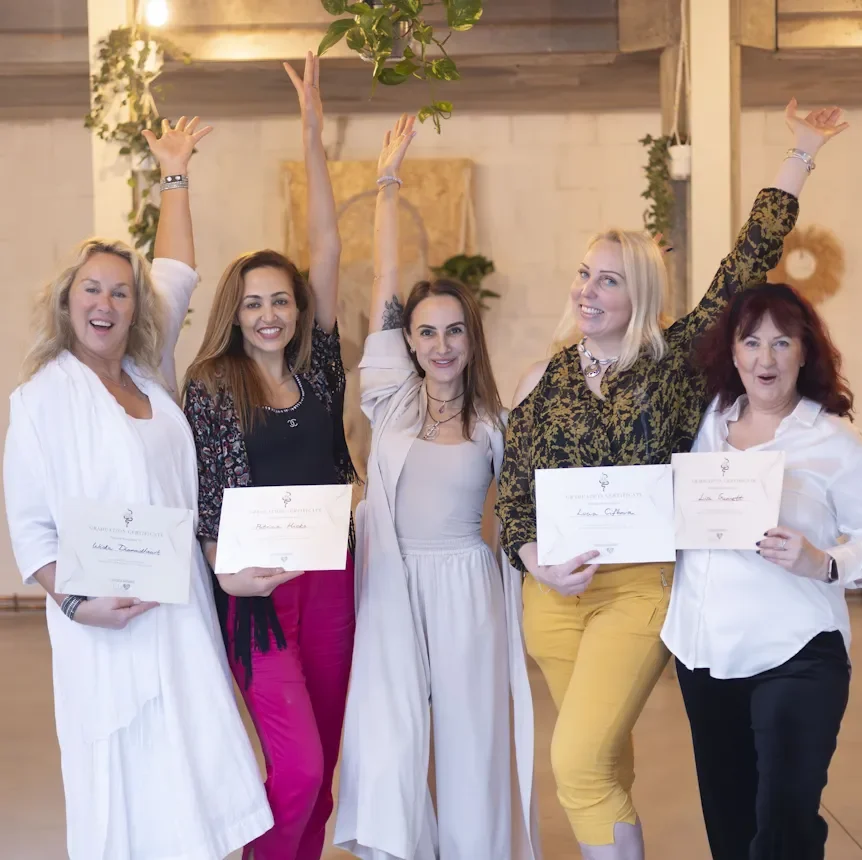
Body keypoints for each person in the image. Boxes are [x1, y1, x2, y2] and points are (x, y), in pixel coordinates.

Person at [496, 100, 847, 860]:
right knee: (606, 765)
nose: (588, 290)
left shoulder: (676, 361)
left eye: (610, 281)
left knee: (577, 759)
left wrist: (801, 153)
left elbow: (747, 259)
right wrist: (532, 561)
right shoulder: (541, 379)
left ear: (641, 297)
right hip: (552, 595)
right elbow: (516, 495)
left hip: (639, 588)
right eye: (585, 273)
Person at [3, 118, 274, 859]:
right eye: (92, 288)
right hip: (102, 624)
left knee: (192, 774)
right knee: (125, 784)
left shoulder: (149, 380)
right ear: (67, 301)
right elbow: (30, 528)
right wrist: (77, 603)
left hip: (178, 607)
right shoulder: (40, 401)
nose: (107, 303)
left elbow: (178, 271)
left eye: (122, 292)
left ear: (134, 307)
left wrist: (176, 174)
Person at [334, 116, 541, 860]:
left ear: (469, 339)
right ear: (409, 340)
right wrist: (387, 183)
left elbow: (525, 503)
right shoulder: (389, 396)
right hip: (391, 584)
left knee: (469, 748)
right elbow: (386, 287)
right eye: (427, 332)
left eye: (454, 331)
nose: (441, 345)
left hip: (466, 586)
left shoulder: (493, 421)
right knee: (390, 745)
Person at [181, 54, 356, 860]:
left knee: (323, 773)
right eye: (253, 302)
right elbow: (211, 496)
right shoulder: (214, 381)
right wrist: (227, 576)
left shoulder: (320, 366)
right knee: (297, 763)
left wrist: (313, 131)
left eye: (280, 299)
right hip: (254, 593)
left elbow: (326, 242)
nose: (268, 313)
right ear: (235, 310)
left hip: (331, 582)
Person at [662, 283, 862, 860]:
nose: (765, 359)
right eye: (752, 342)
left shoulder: (838, 445)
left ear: (804, 352)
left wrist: (824, 562)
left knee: (784, 823)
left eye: (781, 342)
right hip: (704, 653)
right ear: (733, 352)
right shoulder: (706, 424)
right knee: (730, 822)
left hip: (797, 653)